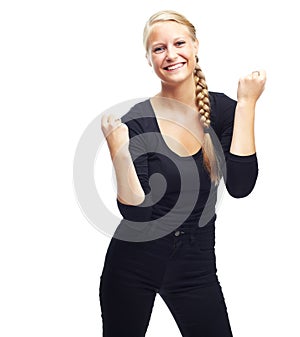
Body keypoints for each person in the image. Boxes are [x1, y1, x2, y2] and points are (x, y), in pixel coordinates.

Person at [99, 9, 266, 337]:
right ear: (149, 59)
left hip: (195, 266)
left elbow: (241, 185)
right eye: (159, 49)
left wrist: (247, 105)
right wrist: (119, 152)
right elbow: (138, 212)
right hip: (132, 264)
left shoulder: (223, 111)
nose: (170, 54)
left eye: (178, 43)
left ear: (195, 46)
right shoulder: (137, 121)